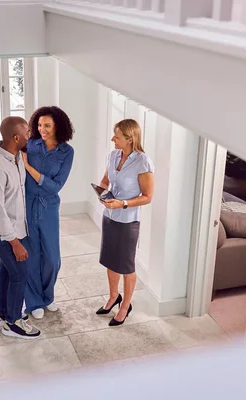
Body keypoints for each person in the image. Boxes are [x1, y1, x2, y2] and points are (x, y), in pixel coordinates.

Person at [0, 106, 75, 319]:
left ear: (58, 126)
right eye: (39, 125)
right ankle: (33, 303)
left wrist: (30, 168)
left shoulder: (67, 152)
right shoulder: (29, 145)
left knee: (52, 259)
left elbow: (55, 186)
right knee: (29, 257)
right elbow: (5, 155)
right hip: (26, 206)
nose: (42, 129)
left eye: (47, 125)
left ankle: (47, 296)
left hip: (49, 207)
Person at [0, 116, 40, 339]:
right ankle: (12, 323)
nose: (30, 135)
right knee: (20, 272)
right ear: (16, 137)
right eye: (26, 133)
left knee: (7, 269)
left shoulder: (16, 157)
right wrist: (14, 242)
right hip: (1, 231)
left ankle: (0, 313)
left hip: (14, 227)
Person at [96, 119, 154, 326]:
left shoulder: (142, 162)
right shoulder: (113, 155)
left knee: (126, 265)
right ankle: (113, 296)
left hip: (128, 221)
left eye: (117, 136)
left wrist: (123, 204)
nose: (113, 138)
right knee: (110, 259)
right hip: (109, 216)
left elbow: (147, 196)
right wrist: (101, 194)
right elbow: (105, 182)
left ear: (130, 139)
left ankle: (125, 305)